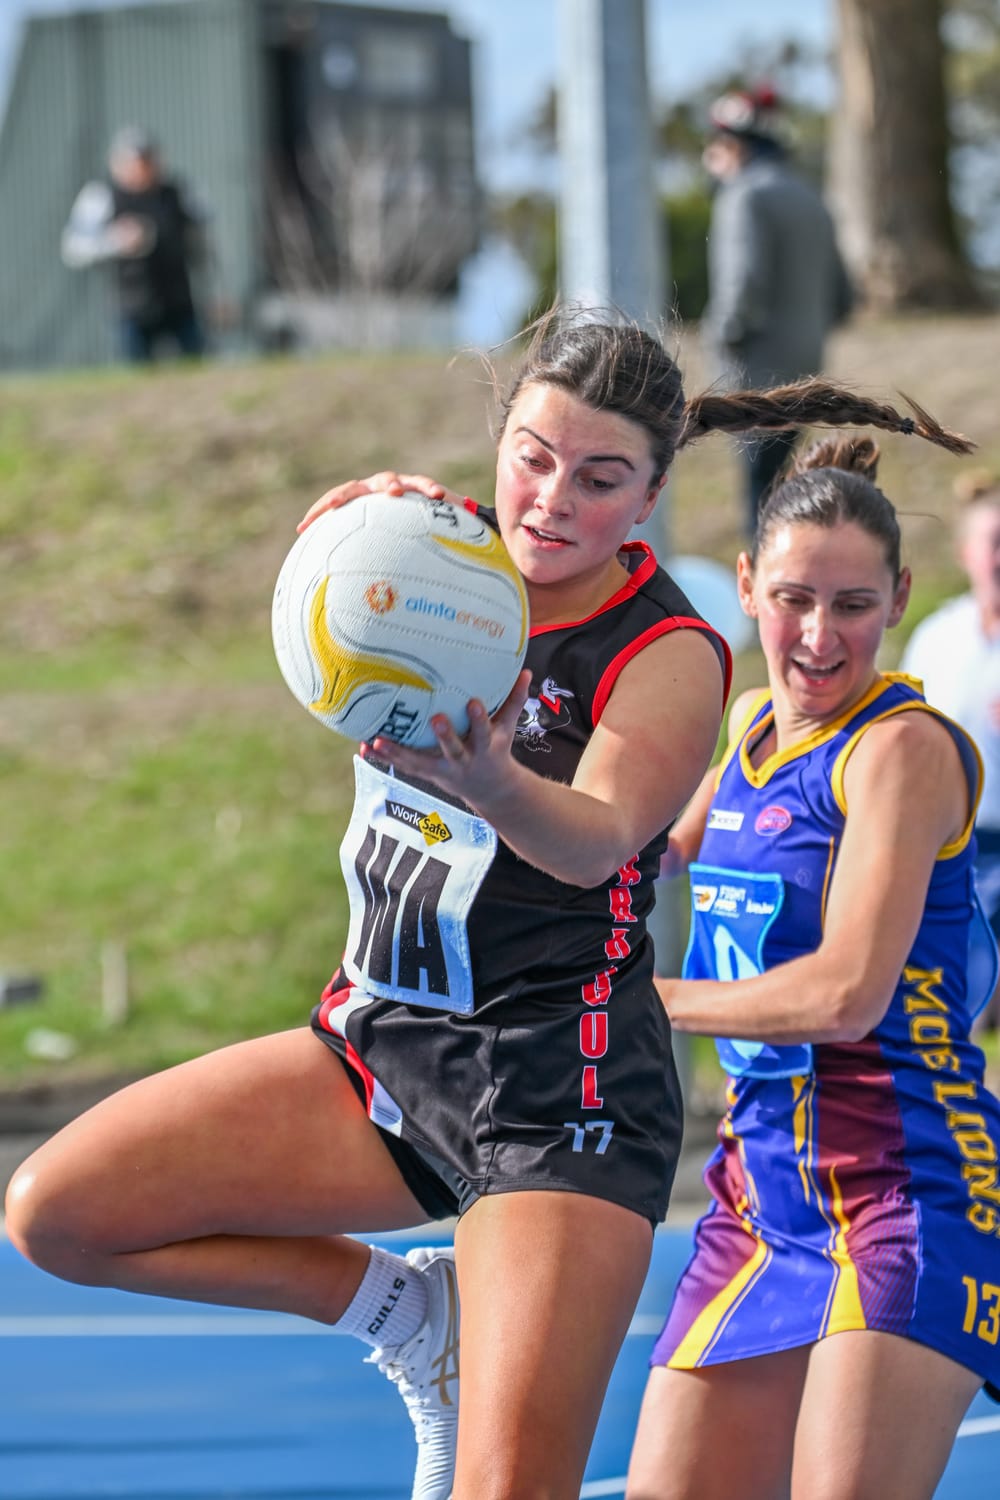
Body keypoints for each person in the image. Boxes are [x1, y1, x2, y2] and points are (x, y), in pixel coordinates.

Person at [2, 310, 939, 1500]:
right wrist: (337, 548)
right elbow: (322, 626)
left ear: (649, 497)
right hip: (384, 1043)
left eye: (600, 481)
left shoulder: (665, 652)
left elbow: (599, 842)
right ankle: (415, 1316)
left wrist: (494, 781)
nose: (552, 500)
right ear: (497, 440)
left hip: (560, 1087)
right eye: (533, 459)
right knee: (60, 1214)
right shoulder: (421, 559)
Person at [625, 429, 1000, 1500]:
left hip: (904, 1189)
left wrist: (642, 1001)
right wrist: (469, 761)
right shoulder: (745, 734)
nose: (820, 635)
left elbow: (846, 995)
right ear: (745, 588)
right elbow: (610, 852)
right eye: (793, 598)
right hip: (760, 1199)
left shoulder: (901, 750)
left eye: (852, 606)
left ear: (899, 600)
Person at [701, 85, 854, 533]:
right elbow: (842, 295)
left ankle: (765, 597)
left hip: (755, 374)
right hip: (806, 368)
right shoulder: (811, 198)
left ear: (734, 146)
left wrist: (725, 336)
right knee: (783, 491)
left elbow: (741, 286)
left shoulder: (744, 197)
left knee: (759, 503)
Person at [901, 470, 1000, 1035]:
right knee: (957, 1013)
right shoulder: (940, 637)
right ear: (968, 553)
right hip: (955, 853)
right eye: (995, 543)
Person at [61, 126, 212, 364]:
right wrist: (115, 242)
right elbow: (72, 248)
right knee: (136, 378)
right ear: (117, 163)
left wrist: (219, 294)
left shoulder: (180, 193)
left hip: (180, 303)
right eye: (134, 161)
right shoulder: (100, 197)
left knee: (196, 371)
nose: (141, 168)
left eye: (147, 160)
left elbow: (203, 244)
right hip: (132, 309)